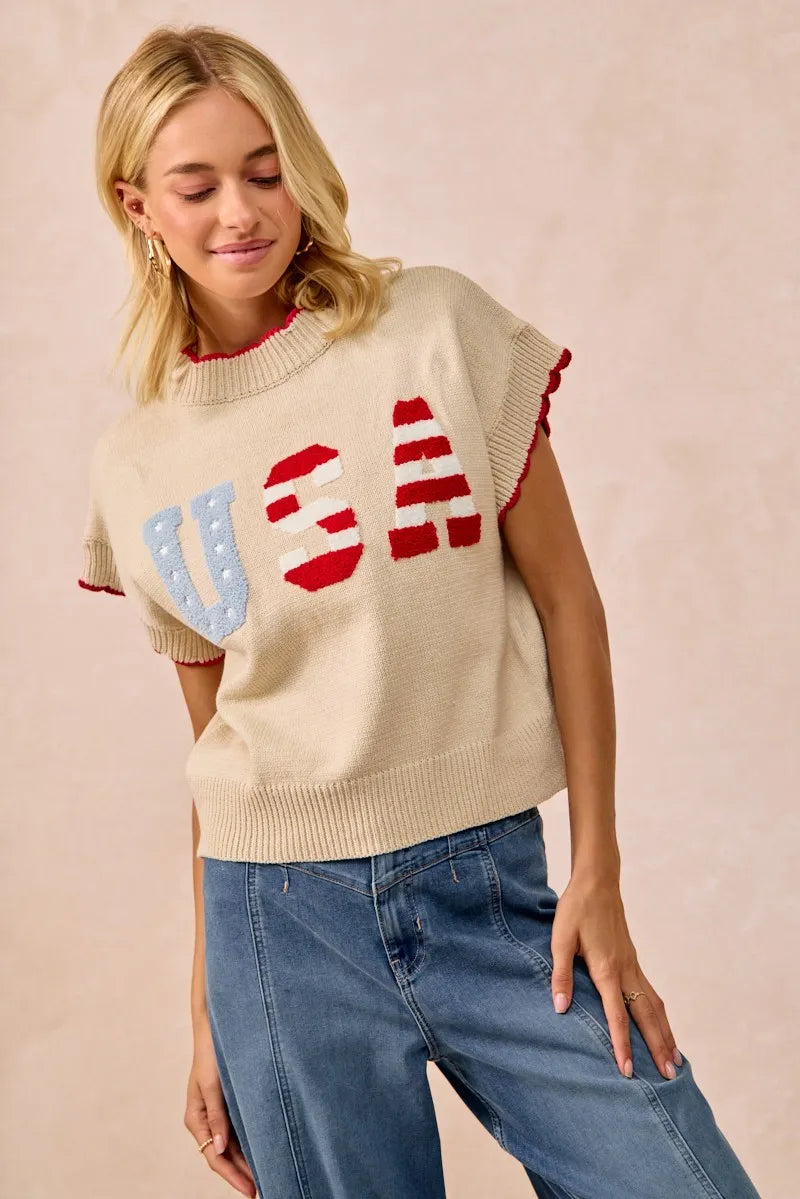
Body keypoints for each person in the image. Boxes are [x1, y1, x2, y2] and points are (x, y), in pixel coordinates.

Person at [79, 22, 762, 1199]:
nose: (241, 211)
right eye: (196, 187)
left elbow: (568, 600)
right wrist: (206, 1010)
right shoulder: (139, 463)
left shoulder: (434, 330)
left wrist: (596, 871)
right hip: (277, 927)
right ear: (139, 207)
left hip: (493, 891)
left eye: (264, 170)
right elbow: (213, 751)